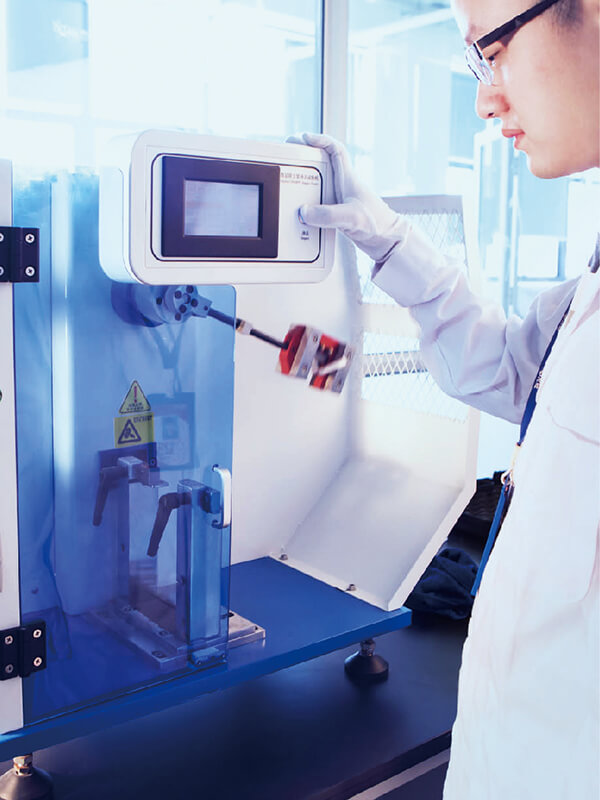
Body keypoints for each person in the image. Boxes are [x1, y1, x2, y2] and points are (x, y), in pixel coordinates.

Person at [292, 0, 600, 797]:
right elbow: (510, 370)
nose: (486, 98)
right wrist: (390, 239)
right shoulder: (592, 284)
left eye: (491, 49)